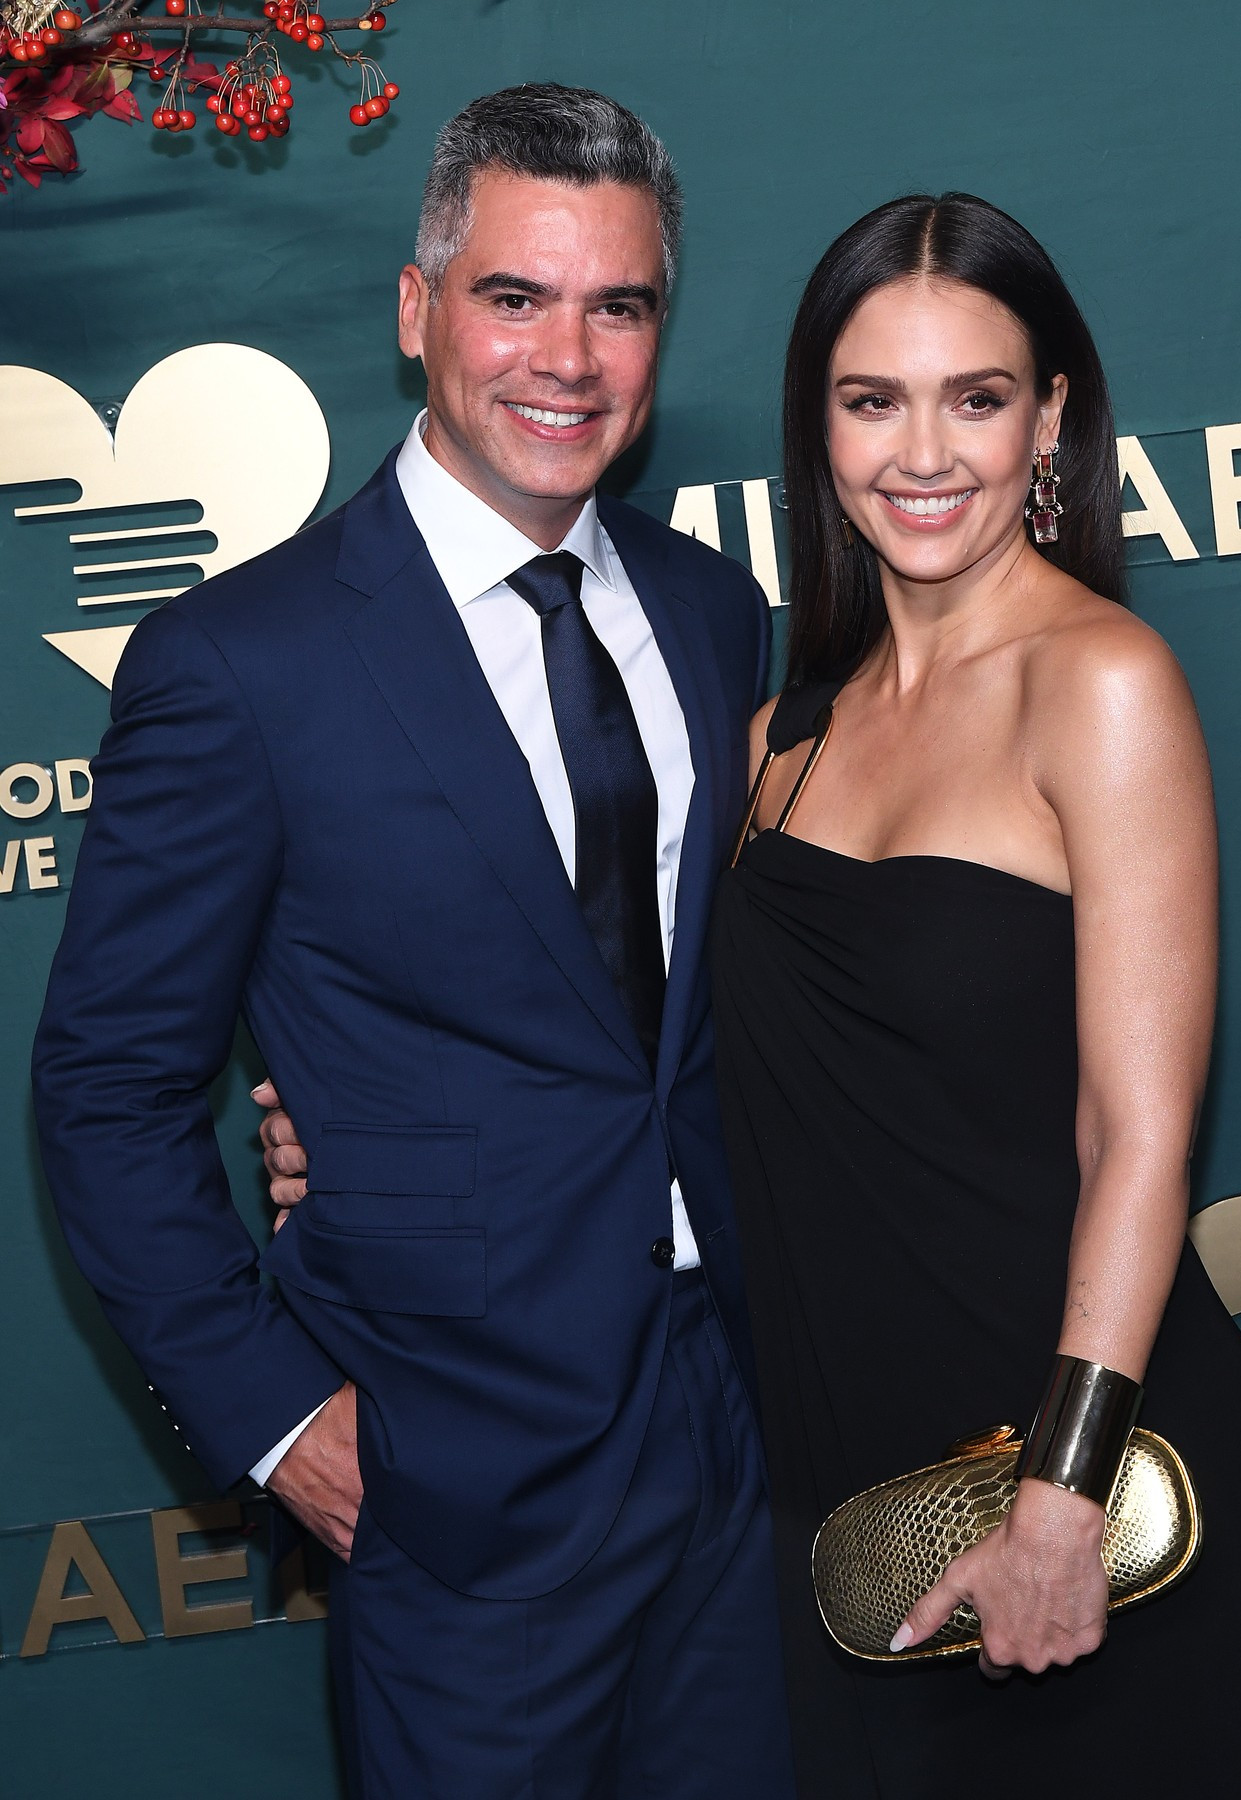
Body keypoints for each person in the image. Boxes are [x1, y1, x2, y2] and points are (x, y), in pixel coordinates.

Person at [30, 85, 795, 1800]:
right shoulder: (243, 664)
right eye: (515, 297)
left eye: (618, 306)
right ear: (416, 309)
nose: (567, 359)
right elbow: (106, 1091)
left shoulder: (710, 612)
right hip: (458, 1476)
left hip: (742, 1434)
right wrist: (279, 1419)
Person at [706, 192, 1241, 1796]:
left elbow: (1138, 1135)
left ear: (1049, 419)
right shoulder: (779, 742)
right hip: (854, 1509)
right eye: (873, 401)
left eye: (974, 399)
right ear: (819, 427)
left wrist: (1063, 1491)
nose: (924, 454)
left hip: (1087, 1505)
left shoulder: (1099, 683)